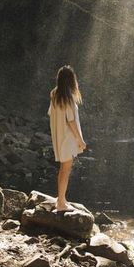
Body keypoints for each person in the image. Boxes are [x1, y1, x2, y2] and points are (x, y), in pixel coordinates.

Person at [48, 65, 86, 212]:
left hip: (59, 137)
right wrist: (80, 140)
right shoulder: (68, 97)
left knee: (63, 170)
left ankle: (61, 199)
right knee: (65, 170)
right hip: (68, 138)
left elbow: (52, 114)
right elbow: (70, 121)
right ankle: (61, 204)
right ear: (71, 80)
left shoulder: (54, 94)